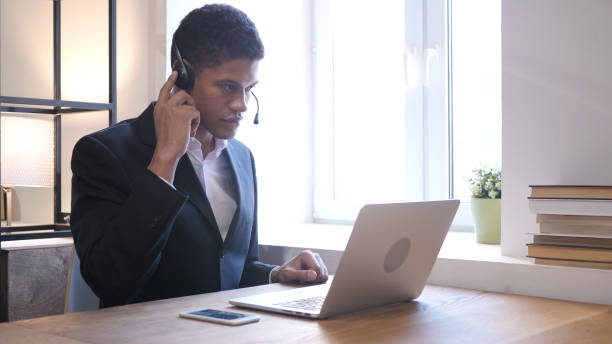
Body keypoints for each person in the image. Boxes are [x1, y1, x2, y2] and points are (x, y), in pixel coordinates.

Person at [70, 4, 328, 308]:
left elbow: (234, 270)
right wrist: (164, 160)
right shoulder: (104, 154)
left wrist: (276, 275)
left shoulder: (242, 158)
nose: (242, 105)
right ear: (183, 75)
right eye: (228, 87)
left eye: (249, 89)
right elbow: (111, 280)